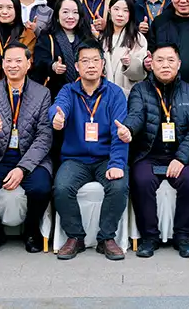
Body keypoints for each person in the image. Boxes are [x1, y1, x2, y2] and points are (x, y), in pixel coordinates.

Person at [117, 43, 189, 259]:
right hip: (149, 154)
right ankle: (149, 237)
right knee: (141, 180)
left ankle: (183, 237)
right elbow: (136, 115)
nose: (165, 65)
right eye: (160, 60)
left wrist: (181, 158)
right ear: (151, 64)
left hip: (182, 156)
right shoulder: (140, 90)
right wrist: (128, 129)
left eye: (170, 60)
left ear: (179, 64)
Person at [50, 39, 129, 261]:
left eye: (95, 60)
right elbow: (58, 107)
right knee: (61, 187)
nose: (91, 65)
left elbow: (120, 132)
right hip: (76, 159)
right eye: (85, 61)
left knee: (119, 185)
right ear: (77, 66)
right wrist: (57, 117)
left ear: (103, 64)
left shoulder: (115, 94)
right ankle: (75, 237)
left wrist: (116, 164)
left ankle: (106, 238)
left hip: (106, 158)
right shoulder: (68, 91)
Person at [0, 42, 53, 255]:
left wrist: (22, 168)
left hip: (30, 157)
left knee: (41, 188)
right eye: (8, 61)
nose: (13, 65)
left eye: (18, 61)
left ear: (28, 64)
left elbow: (44, 136)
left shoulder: (42, 93)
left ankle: (31, 231)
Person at [32, 0, 95, 97]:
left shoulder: (86, 38)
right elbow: (39, 61)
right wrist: (53, 66)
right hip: (55, 95)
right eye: (65, 12)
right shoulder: (47, 37)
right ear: (57, 15)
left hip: (85, 94)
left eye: (75, 12)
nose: (70, 16)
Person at [102, 0, 149, 97]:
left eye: (125, 10)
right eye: (116, 9)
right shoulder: (102, 38)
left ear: (130, 14)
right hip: (104, 96)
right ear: (109, 10)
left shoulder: (138, 38)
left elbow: (140, 75)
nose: (120, 14)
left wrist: (129, 64)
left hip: (128, 96)